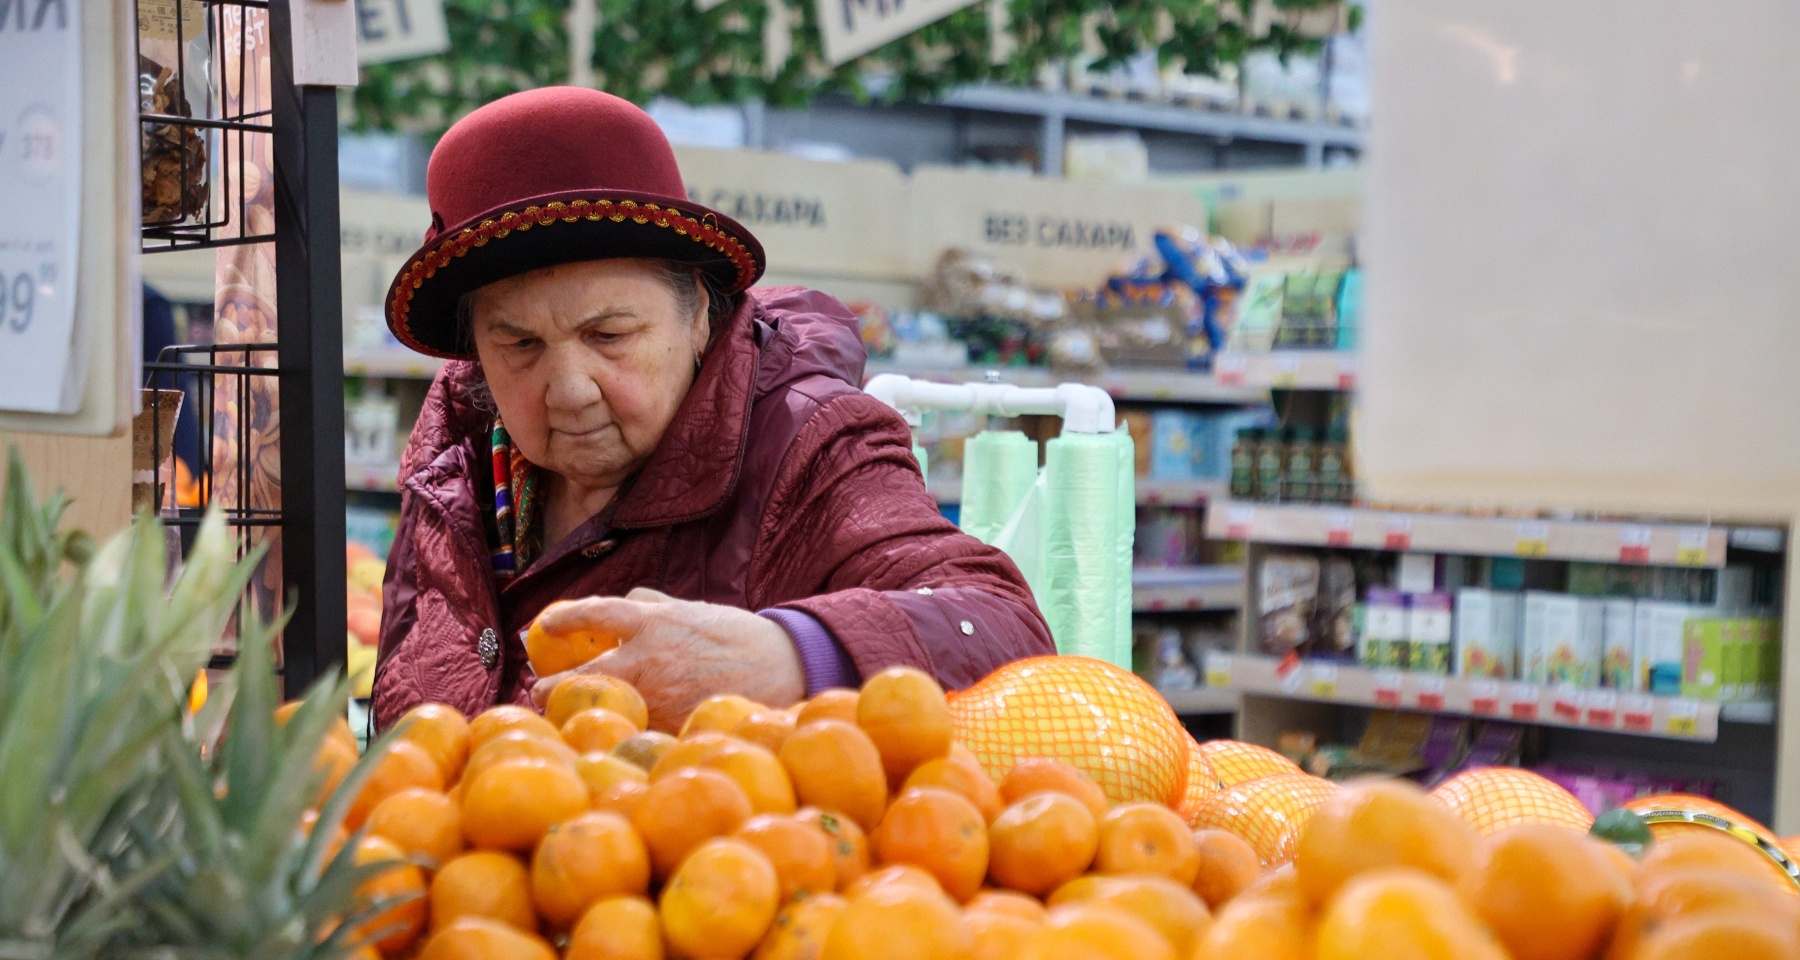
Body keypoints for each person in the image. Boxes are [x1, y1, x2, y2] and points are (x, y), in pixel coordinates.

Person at [372, 87, 1053, 732]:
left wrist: (789, 655)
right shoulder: (453, 474)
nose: (570, 388)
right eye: (519, 344)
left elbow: (1001, 624)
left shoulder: (809, 443)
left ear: (699, 312)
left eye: (608, 336)